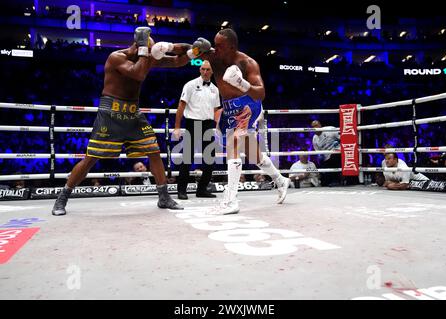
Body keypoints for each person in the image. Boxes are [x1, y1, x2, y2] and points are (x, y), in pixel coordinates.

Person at [52, 27, 211, 215]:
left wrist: (194, 50)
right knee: (91, 158)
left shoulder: (146, 58)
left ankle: (164, 197)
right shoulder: (116, 57)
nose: (150, 55)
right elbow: (138, 74)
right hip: (111, 112)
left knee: (154, 151)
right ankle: (62, 198)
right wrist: (146, 52)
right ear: (138, 46)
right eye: (146, 50)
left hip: (133, 112)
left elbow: (177, 61)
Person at [187, 28, 290, 214]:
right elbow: (188, 52)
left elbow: (261, 93)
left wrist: (241, 83)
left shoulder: (247, 63)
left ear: (232, 47)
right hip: (228, 109)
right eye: (214, 45)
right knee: (254, 155)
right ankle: (281, 180)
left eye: (219, 46)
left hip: (248, 106)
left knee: (234, 142)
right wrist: (191, 50)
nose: (215, 49)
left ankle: (231, 200)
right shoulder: (214, 57)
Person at [173, 60, 221, 199]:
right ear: (200, 70)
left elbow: (216, 110)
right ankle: (181, 190)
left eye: (208, 69)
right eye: (203, 69)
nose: (205, 72)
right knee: (187, 158)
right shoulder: (190, 85)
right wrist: (177, 127)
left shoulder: (215, 89)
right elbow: (181, 106)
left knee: (210, 159)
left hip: (208, 124)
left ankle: (202, 190)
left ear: (212, 71)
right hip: (192, 123)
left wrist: (217, 127)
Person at [311, 120, 341, 187]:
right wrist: (320, 156)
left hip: (337, 153)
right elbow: (317, 151)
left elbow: (344, 138)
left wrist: (338, 143)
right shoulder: (314, 139)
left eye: (316, 125)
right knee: (324, 181)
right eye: (313, 127)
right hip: (326, 158)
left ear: (320, 125)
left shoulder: (330, 130)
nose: (315, 128)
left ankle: (336, 180)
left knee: (334, 157)